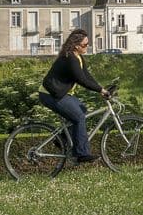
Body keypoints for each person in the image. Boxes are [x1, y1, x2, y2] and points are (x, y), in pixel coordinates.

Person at [38, 29, 107, 163]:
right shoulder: (70, 58)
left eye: (88, 44)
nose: (87, 47)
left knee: (82, 110)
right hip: (50, 95)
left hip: (61, 94)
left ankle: (62, 139)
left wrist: (101, 88)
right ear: (76, 46)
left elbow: (87, 76)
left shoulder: (78, 57)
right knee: (79, 117)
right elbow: (81, 80)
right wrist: (100, 90)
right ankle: (81, 154)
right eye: (85, 45)